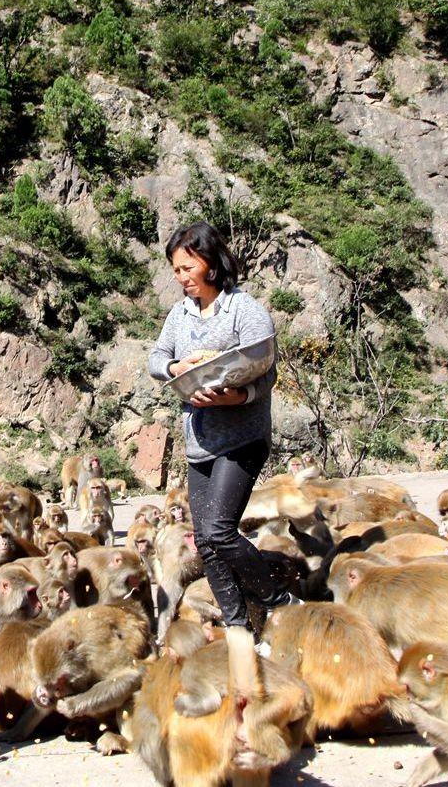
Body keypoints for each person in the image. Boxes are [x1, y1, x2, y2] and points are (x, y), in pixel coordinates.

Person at [147, 220, 297, 633]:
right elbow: (156, 356)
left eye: (186, 269)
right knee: (207, 543)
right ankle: (238, 627)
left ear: (210, 262)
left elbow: (265, 371)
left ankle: (281, 602)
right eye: (175, 271)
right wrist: (176, 367)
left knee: (219, 529)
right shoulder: (179, 315)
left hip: (243, 437)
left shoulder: (244, 311)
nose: (181, 279)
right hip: (199, 440)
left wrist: (239, 396)